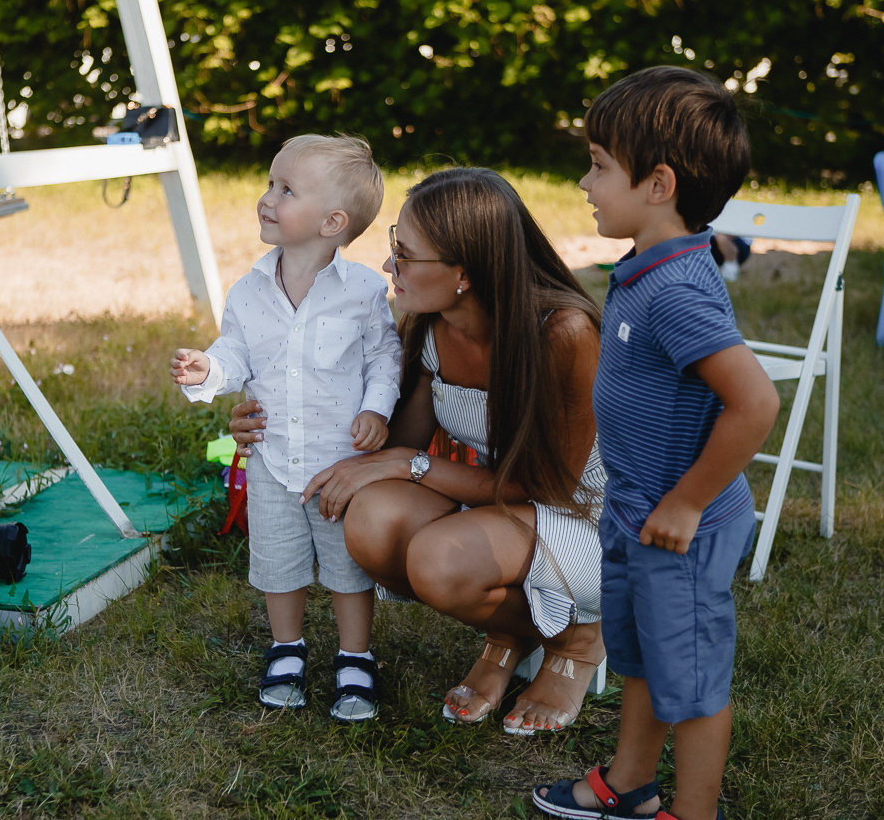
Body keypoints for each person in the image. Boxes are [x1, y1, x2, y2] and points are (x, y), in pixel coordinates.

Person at [233, 166, 609, 736]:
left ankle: (580, 639)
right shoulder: (431, 328)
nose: (389, 267)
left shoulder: (563, 333)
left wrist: (411, 466)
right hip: (503, 502)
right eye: (392, 248)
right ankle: (512, 631)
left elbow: (550, 487)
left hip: (585, 514)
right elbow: (389, 443)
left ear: (464, 272)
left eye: (405, 254)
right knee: (372, 517)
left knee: (438, 560)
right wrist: (265, 415)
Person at [532, 66, 780, 820]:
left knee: (692, 682)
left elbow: (756, 401)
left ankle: (691, 812)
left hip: (680, 526)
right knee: (639, 656)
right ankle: (628, 783)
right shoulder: (648, 264)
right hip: (637, 510)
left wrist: (687, 502)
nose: (585, 181)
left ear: (659, 184)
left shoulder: (676, 290)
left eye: (600, 165)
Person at [171, 134, 401, 722]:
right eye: (270, 183)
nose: (267, 198)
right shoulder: (248, 291)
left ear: (332, 222)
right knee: (278, 561)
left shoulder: (364, 293)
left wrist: (377, 408)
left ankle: (355, 658)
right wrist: (209, 369)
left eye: (286, 189)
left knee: (346, 567)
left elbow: (384, 357)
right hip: (273, 459)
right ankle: (287, 648)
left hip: (338, 461)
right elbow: (236, 353)